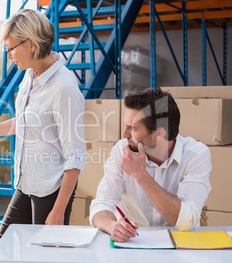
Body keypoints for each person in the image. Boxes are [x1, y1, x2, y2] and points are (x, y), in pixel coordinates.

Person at [0, 9, 86, 249]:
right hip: (25, 184)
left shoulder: (64, 88)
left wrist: (58, 212)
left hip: (50, 191)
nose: (9, 56)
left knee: (40, 257)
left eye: (11, 48)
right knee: (1, 250)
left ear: (32, 44)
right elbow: (25, 122)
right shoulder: (29, 75)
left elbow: (75, 158)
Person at [89, 88, 212, 243]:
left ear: (159, 133)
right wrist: (112, 225)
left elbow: (187, 220)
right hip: (134, 243)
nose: (124, 134)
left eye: (133, 128)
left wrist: (140, 175)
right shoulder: (122, 150)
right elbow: (101, 205)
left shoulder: (196, 155)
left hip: (180, 244)